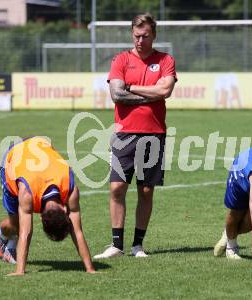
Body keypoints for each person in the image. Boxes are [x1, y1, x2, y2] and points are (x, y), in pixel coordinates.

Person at [94, 13, 177, 259]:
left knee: (146, 191)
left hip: (154, 133)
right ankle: (116, 245)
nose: (141, 40)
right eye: (137, 36)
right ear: (132, 34)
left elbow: (166, 90)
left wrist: (131, 87)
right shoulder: (121, 59)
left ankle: (137, 245)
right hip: (124, 133)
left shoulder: (165, 60)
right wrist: (151, 95)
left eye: (146, 36)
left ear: (154, 35)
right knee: (117, 187)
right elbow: (116, 95)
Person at [0, 137, 96, 275]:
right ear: (41, 217)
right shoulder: (27, 194)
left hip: (38, 142)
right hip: (13, 157)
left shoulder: (71, 191)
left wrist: (90, 269)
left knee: (21, 225)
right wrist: (20, 271)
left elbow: (77, 232)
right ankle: (1, 233)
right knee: (16, 225)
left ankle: (10, 242)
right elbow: (25, 233)